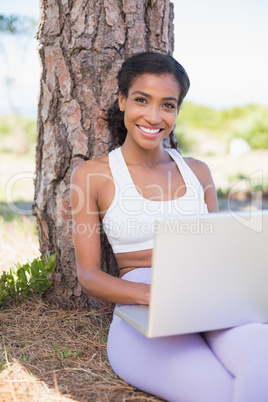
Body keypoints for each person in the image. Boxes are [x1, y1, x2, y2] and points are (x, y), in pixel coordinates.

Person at [71, 52, 268, 402]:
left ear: (177, 111)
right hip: (141, 309)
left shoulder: (198, 171)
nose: (153, 116)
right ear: (122, 101)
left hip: (209, 302)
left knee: (261, 372)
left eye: (168, 105)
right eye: (142, 100)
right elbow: (88, 275)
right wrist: (156, 297)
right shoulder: (93, 175)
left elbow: (219, 252)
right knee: (217, 392)